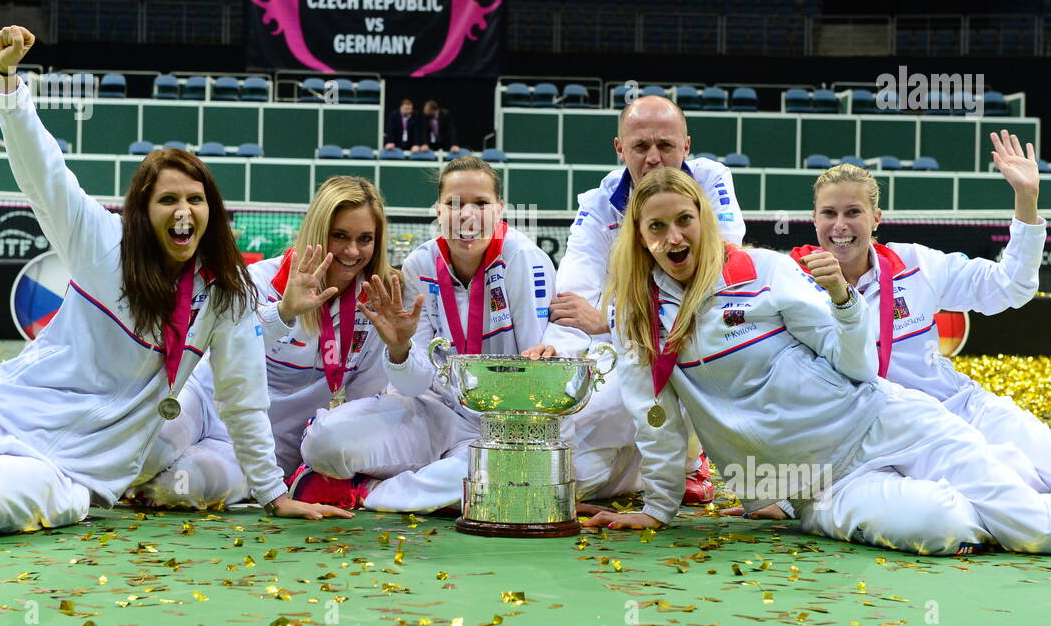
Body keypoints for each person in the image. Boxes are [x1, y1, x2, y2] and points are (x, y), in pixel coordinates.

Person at [0, 26, 346, 538]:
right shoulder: (104, 246)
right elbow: (45, 173)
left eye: (195, 198)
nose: (184, 210)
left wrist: (274, 494)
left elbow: (242, 398)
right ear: (142, 212)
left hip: (72, 470)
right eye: (168, 200)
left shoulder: (225, 296)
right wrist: (9, 86)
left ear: (211, 209)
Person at [584, 166, 1051, 556]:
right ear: (639, 237)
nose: (673, 236)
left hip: (887, 422)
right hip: (817, 485)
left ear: (702, 217)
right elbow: (654, 418)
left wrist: (845, 307)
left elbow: (857, 367)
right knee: (944, 528)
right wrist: (658, 507)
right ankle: (1013, 479)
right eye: (656, 227)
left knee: (1042, 531)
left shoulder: (762, 270)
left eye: (684, 219)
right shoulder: (638, 317)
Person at [721, 134, 1051, 521]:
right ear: (813, 219)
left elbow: (1011, 287)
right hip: (876, 436)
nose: (840, 225)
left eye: (853, 212)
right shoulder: (790, 282)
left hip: (961, 407)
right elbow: (772, 389)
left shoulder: (916, 264)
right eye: (829, 213)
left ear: (876, 218)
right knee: (1014, 494)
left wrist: (1026, 198)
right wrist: (784, 494)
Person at [284, 156, 554, 512]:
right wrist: (399, 350)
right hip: (431, 411)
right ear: (438, 211)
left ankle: (366, 491)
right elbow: (414, 385)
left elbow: (537, 362)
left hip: (500, 424)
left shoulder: (524, 259)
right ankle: (421, 479)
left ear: (500, 210)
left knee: (511, 475)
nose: (467, 215)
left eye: (481, 204)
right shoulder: (419, 266)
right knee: (324, 443)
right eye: (454, 203)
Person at [126, 177, 395, 509]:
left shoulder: (373, 309)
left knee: (181, 487)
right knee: (143, 454)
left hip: (260, 449)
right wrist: (284, 312)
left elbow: (362, 405)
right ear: (316, 231)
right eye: (339, 235)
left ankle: (159, 475)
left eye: (364, 239)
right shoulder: (257, 279)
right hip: (203, 402)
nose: (352, 251)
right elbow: (229, 349)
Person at [541, 94, 746, 504]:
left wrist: (612, 318)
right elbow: (573, 300)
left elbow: (716, 273)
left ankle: (689, 462)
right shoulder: (598, 205)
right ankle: (650, 468)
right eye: (640, 146)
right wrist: (558, 359)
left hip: (702, 336)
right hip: (628, 343)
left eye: (665, 146)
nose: (654, 158)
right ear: (620, 149)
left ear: (686, 146)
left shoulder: (712, 180)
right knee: (583, 433)